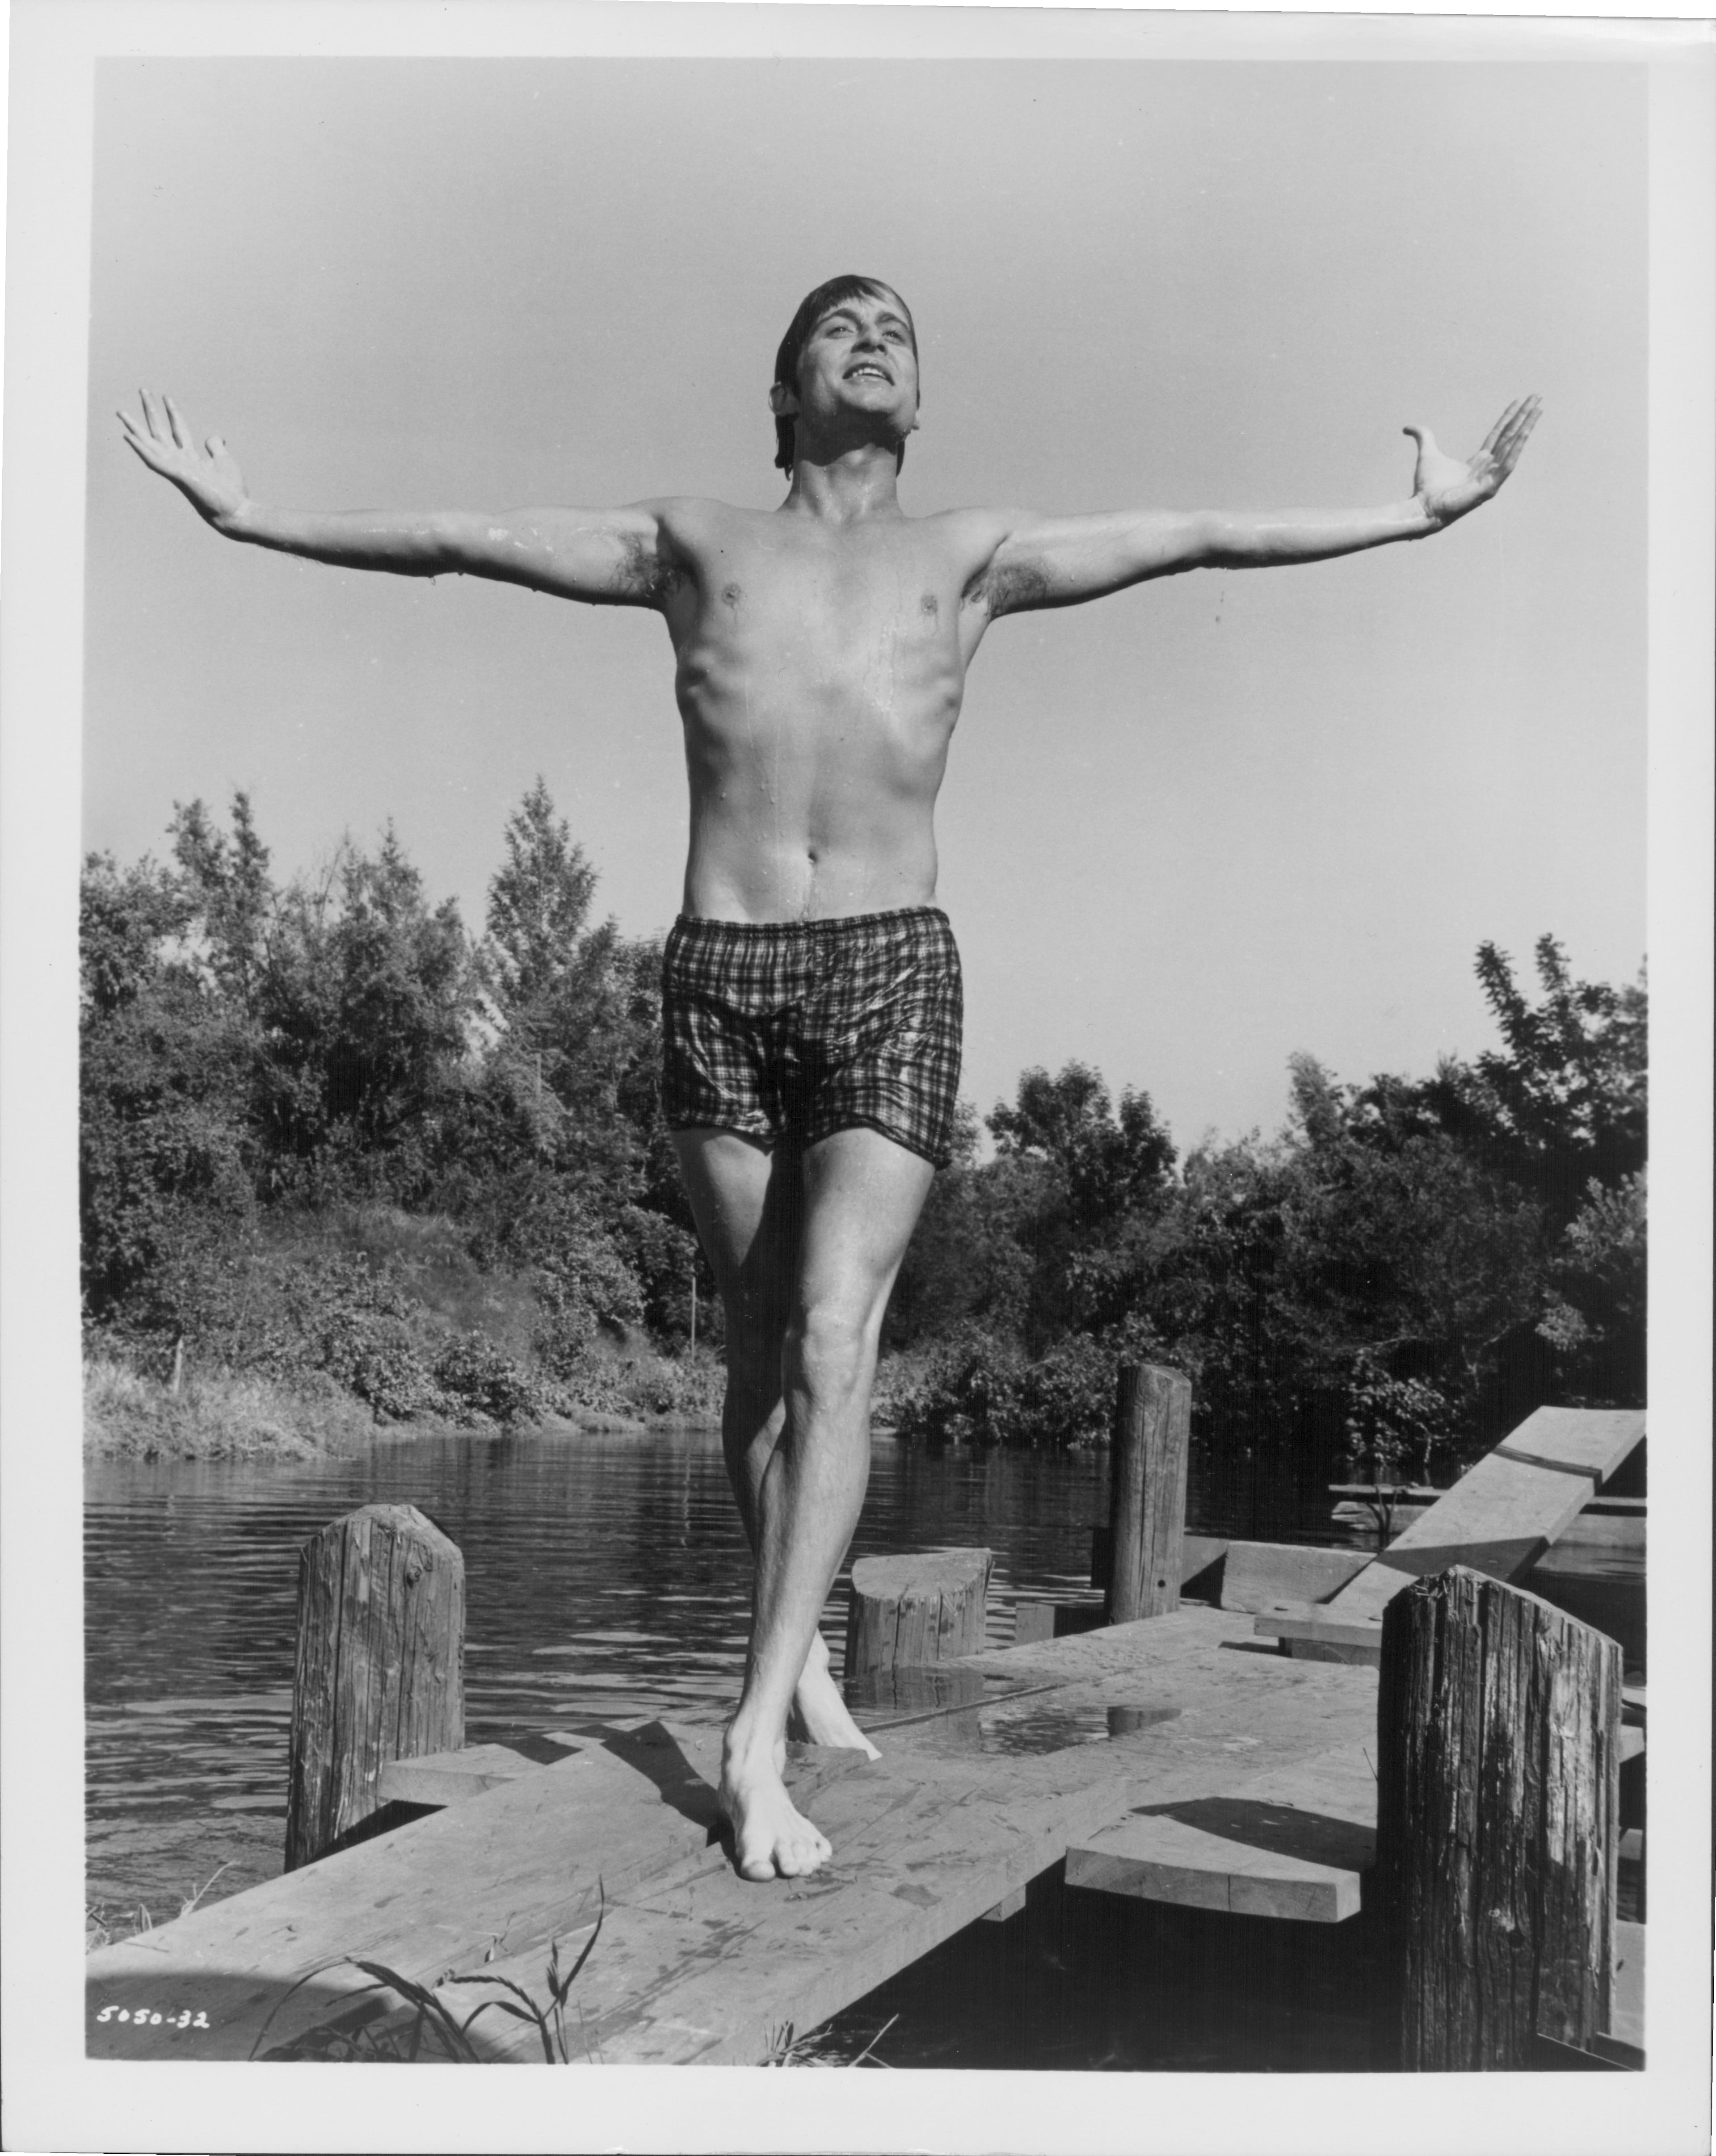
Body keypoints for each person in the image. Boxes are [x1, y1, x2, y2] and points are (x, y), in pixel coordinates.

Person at [118, 273, 1539, 1883]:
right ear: (784, 391)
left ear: (917, 405)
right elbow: (467, 535)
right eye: (840, 330)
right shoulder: (696, 543)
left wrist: (1404, 520)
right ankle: (796, 1643)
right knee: (756, 1344)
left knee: (836, 1336)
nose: (876, 345)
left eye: (901, 337)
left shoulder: (972, 557)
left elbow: (1196, 534)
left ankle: (748, 1728)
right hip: (720, 969)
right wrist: (254, 518)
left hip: (889, 966)